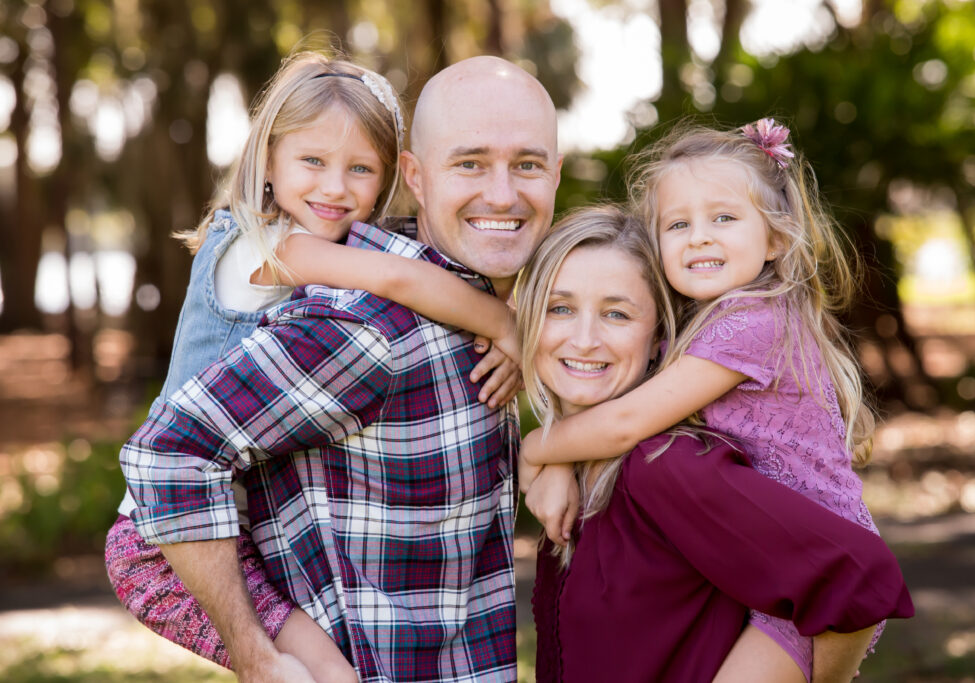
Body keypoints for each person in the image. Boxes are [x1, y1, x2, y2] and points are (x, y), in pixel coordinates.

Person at [120, 54, 562, 683]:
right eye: (313, 163)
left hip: (226, 520)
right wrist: (505, 325)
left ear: (388, 180)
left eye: (359, 170)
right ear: (267, 163)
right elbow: (395, 276)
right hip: (158, 531)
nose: (334, 188)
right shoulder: (286, 264)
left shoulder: (338, 261)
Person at [519, 119, 891, 681]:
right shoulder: (699, 334)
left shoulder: (751, 322)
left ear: (776, 238)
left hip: (806, 580)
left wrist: (535, 450)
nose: (699, 237)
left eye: (723, 218)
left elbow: (625, 423)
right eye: (678, 224)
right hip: (775, 566)